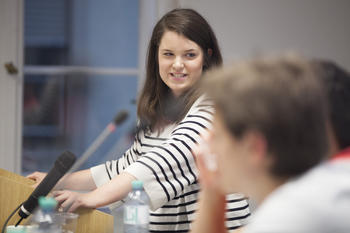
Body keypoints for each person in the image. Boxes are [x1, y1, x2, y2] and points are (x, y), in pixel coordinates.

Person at [28, 8, 250, 232]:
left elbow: (161, 161)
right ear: (156, 56)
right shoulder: (157, 110)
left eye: (190, 55)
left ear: (207, 57)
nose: (178, 64)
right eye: (168, 54)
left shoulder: (213, 107)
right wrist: (58, 181)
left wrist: (92, 198)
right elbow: (126, 167)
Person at [191, 54, 335, 233]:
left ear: (254, 148)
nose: (207, 146)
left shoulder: (290, 220)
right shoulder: (309, 200)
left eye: (217, 136)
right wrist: (212, 189)